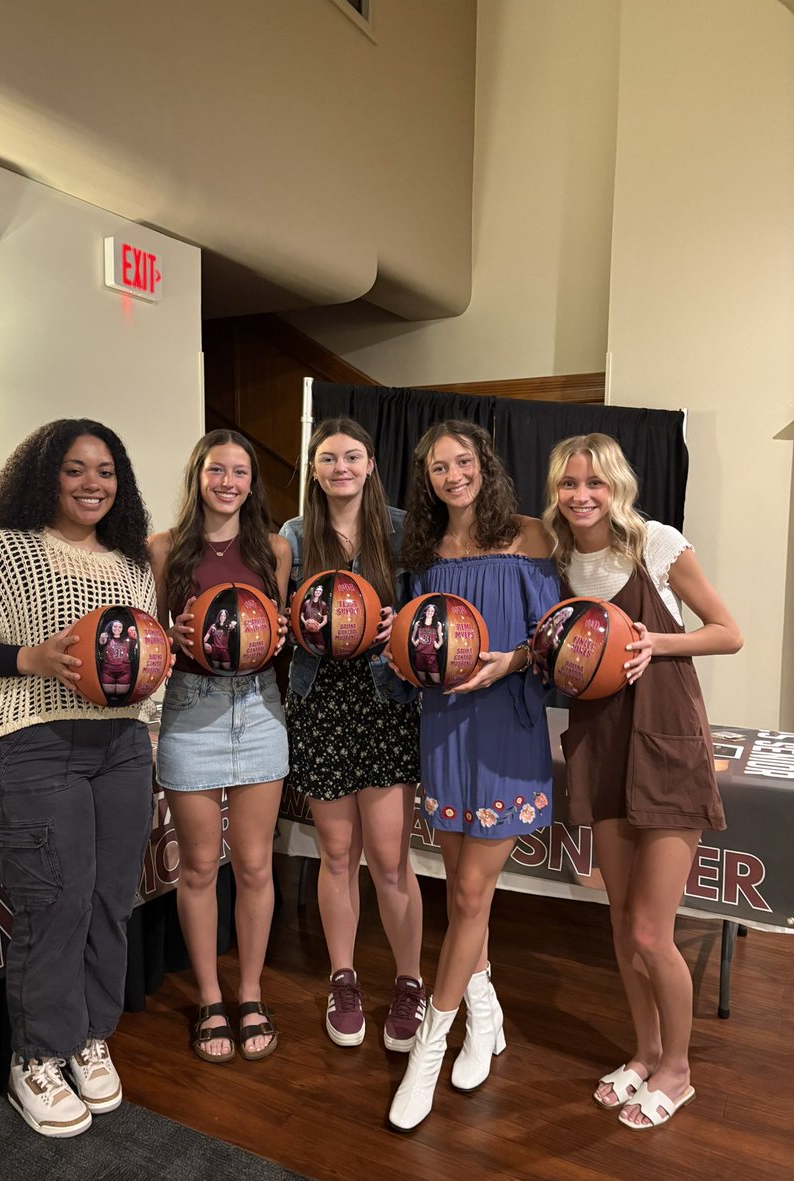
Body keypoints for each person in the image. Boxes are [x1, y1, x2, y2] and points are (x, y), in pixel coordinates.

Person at [0, 418, 158, 1138]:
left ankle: (90, 1033)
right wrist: (29, 658)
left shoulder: (130, 565)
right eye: (75, 469)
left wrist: (158, 660)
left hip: (121, 746)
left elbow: (131, 659)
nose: (93, 484)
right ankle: (38, 1055)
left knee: (109, 899)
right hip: (32, 748)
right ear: (44, 476)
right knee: (53, 905)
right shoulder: (0, 553)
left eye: (106, 472)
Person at [542, 433, 742, 1130]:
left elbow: (727, 631)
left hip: (664, 743)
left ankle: (678, 1072)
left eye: (594, 483)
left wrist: (657, 642)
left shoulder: (657, 545)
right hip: (601, 743)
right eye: (569, 484)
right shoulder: (560, 557)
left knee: (655, 933)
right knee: (622, 925)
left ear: (617, 486)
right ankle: (645, 1053)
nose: (581, 495)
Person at [387, 419, 559, 1130]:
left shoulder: (530, 535)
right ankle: (485, 1017)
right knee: (467, 900)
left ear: (484, 465)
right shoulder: (422, 549)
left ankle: (430, 1045)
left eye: (463, 461)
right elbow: (412, 637)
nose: (452, 474)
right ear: (424, 478)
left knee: (466, 891)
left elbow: (555, 638)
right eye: (437, 467)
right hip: (443, 729)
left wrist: (509, 661)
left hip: (505, 731)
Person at [280, 418, 424, 1053]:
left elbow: (431, 616)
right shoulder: (291, 536)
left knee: (391, 860)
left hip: (386, 703)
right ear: (314, 470)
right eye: (328, 458)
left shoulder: (401, 528)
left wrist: (402, 623)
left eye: (352, 456)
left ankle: (411, 982)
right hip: (322, 706)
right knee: (336, 855)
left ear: (370, 464)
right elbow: (270, 619)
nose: (340, 466)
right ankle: (344, 978)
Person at [149, 430, 290, 1064]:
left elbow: (281, 631)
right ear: (198, 476)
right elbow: (148, 646)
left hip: (259, 710)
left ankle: (251, 992)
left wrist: (282, 631)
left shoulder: (275, 549)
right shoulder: (162, 549)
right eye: (216, 470)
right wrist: (170, 635)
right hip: (191, 714)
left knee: (256, 865)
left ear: (252, 481)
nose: (228, 481)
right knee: (201, 868)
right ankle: (210, 998)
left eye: (239, 471)